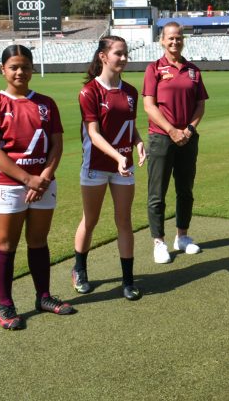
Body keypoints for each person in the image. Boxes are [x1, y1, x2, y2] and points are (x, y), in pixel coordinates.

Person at [0, 45, 75, 330]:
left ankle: (43, 297)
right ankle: (6, 305)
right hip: (9, 185)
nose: (20, 71)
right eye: (14, 67)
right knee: (5, 245)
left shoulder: (46, 103)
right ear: (3, 70)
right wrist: (28, 179)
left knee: (38, 241)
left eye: (25, 66)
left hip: (44, 184)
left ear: (33, 68)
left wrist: (44, 177)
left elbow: (57, 144)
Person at [72, 36, 146, 301]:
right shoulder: (89, 92)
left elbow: (129, 125)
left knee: (124, 222)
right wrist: (117, 156)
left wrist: (137, 142)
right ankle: (79, 269)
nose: (124, 58)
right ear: (103, 56)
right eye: (118, 54)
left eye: (126, 53)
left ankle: (128, 280)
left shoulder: (131, 91)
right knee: (90, 220)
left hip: (122, 166)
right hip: (96, 166)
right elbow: (93, 133)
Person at [143, 22, 209, 264]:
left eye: (178, 38)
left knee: (185, 190)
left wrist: (189, 129)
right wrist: (171, 130)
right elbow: (149, 106)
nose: (175, 41)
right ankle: (158, 241)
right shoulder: (154, 69)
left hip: (188, 138)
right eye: (170, 38)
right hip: (161, 137)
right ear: (162, 40)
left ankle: (182, 236)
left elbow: (200, 104)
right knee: (157, 193)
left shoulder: (193, 70)